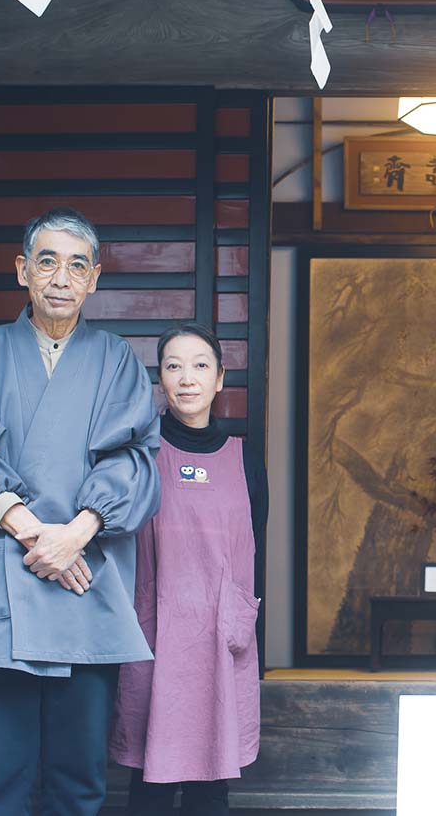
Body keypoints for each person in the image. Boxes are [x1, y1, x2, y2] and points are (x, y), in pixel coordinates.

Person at [0, 207, 161, 816]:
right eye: (47, 261)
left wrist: (76, 534)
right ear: (22, 270)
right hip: (4, 573)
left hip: (86, 578)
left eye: (77, 265)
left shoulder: (116, 359)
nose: (61, 278)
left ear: (94, 279)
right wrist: (34, 534)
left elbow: (133, 459)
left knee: (79, 779)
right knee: (1, 776)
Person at [110, 322, 268, 815]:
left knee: (212, 784)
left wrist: (240, 619)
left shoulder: (245, 459)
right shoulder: (141, 454)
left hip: (221, 638)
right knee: (150, 781)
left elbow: (253, 550)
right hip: (153, 635)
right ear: (161, 379)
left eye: (200, 365)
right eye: (173, 366)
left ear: (219, 379)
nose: (187, 377)